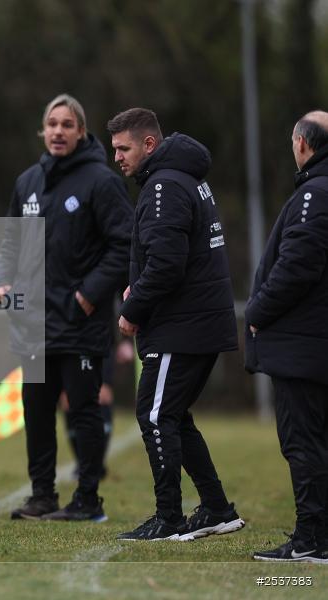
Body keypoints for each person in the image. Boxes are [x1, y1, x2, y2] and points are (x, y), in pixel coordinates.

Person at [0, 94, 133, 522]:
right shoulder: (28, 182)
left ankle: (88, 499)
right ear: (43, 130)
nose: (57, 131)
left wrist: (88, 295)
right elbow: (11, 242)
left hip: (80, 322)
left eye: (67, 124)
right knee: (36, 412)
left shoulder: (101, 182)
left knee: (84, 412)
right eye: (51, 123)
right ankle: (42, 496)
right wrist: (2, 281)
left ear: (81, 131)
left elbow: (123, 245)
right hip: (32, 323)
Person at [107, 107, 244, 542]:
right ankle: (218, 508)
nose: (117, 158)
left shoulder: (164, 184)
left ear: (149, 144)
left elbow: (167, 265)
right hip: (197, 322)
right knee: (175, 416)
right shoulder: (185, 178)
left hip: (181, 326)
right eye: (114, 149)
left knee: (154, 414)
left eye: (123, 148)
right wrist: (138, 288)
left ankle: (168, 518)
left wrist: (133, 309)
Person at [246, 111, 328, 563]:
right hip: (316, 342)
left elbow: (298, 266)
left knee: (304, 442)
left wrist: (257, 311)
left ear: (301, 143)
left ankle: (312, 539)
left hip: (303, 344)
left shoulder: (314, 193)